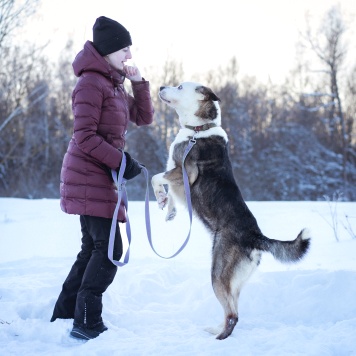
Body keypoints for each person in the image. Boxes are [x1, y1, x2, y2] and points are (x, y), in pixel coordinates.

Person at [50, 16, 154, 340]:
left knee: (92, 248)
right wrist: (123, 161)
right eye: (124, 50)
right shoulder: (90, 84)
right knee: (108, 250)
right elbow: (84, 136)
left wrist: (138, 83)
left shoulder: (113, 84)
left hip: (98, 176)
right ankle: (86, 322)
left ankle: (66, 312)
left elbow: (143, 117)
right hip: (87, 175)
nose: (128, 56)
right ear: (107, 51)